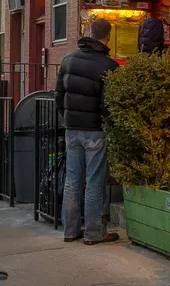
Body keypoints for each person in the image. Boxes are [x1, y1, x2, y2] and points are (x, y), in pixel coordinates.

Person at [54, 19, 120, 245]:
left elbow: (58, 95)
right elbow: (108, 103)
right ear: (107, 37)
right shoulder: (109, 66)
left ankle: (70, 231)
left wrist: (68, 117)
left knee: (72, 180)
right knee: (94, 181)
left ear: (89, 33)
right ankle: (93, 232)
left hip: (72, 129)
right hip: (95, 131)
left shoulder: (68, 60)